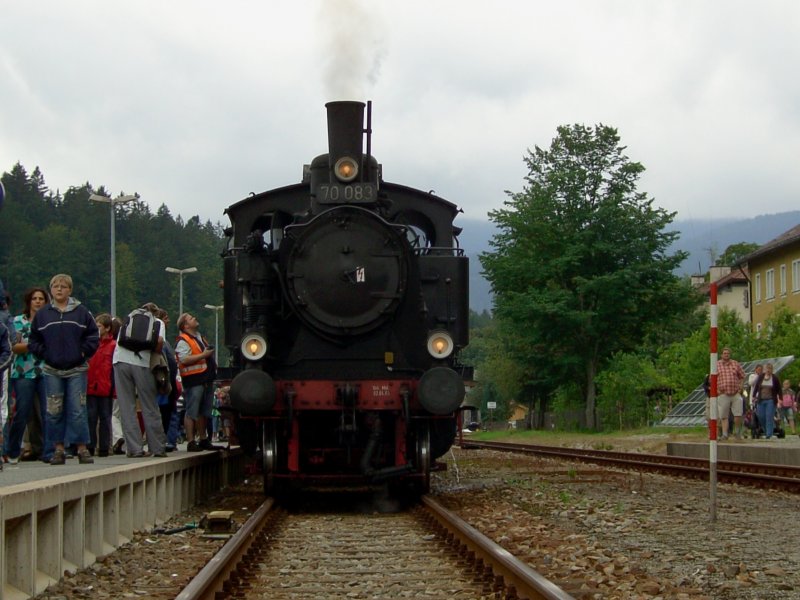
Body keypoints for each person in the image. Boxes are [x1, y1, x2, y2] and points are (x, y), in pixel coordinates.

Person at [28, 274, 99, 465]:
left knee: (78, 408)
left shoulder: (82, 312)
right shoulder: (43, 314)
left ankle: (82, 448)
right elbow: (33, 340)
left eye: (64, 286)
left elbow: (93, 337)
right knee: (54, 410)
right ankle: (58, 449)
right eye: (55, 286)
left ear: (70, 290)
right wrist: (45, 354)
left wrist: (82, 353)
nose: (59, 289)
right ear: (50, 290)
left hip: (77, 368)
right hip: (52, 369)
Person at [112, 303, 168, 458]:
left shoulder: (129, 317)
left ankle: (134, 449)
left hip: (120, 361)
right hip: (142, 363)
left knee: (127, 407)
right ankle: (157, 448)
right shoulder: (158, 322)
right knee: (149, 405)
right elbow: (159, 343)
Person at [6, 287, 50, 463]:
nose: (38, 301)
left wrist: (32, 344)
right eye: (34, 298)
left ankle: (48, 451)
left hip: (45, 371)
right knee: (22, 413)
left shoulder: (48, 322)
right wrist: (34, 345)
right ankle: (13, 450)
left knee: (48, 413)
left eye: (41, 298)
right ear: (29, 301)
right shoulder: (17, 322)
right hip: (23, 372)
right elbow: (14, 347)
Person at [175, 313, 218, 451]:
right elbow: (184, 359)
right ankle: (191, 441)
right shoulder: (183, 340)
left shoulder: (199, 337)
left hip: (205, 380)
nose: (194, 318)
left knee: (203, 412)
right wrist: (204, 355)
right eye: (191, 318)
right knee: (192, 411)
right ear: (185, 325)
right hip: (194, 381)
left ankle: (203, 438)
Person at [87, 313, 115, 457]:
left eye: (99, 326)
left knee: (105, 417)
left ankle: (104, 447)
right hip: (91, 385)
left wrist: (113, 388)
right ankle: (90, 445)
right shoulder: (92, 344)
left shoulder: (113, 346)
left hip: (105, 386)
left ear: (107, 328)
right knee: (90, 417)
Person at [716, 347, 745, 440]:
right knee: (724, 415)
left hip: (735, 392)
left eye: (728, 353)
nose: (726, 355)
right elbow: (712, 379)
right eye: (724, 353)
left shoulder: (735, 364)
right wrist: (717, 390)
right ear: (721, 355)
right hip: (723, 393)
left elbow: (742, 376)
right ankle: (725, 434)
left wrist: (740, 386)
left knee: (738, 414)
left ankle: (737, 432)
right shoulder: (717, 365)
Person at [752, 363, 781, 440]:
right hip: (761, 399)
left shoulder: (775, 378)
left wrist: (780, 399)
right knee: (761, 416)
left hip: (771, 400)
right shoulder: (761, 377)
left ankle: (769, 434)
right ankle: (766, 431)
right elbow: (756, 387)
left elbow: (779, 389)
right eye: (767, 368)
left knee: (769, 417)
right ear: (764, 370)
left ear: (772, 370)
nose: (768, 370)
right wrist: (754, 396)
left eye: (770, 368)